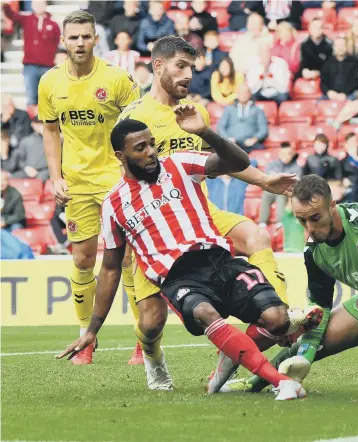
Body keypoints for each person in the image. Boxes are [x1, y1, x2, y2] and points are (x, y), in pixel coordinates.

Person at [57, 114, 320, 401]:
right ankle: (281, 382)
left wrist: (207, 132)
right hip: (178, 277)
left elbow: (236, 162)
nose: (150, 153)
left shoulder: (179, 164)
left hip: (220, 261)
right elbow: (109, 269)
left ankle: (231, 356)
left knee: (278, 319)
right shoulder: (113, 204)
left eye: (152, 145)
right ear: (120, 155)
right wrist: (92, 329)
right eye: (140, 148)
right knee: (192, 316)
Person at [114, 36, 305, 369]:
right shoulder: (134, 118)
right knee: (152, 322)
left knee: (256, 236)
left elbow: (215, 161)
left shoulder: (196, 112)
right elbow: (123, 179)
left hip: (200, 212)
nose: (188, 75)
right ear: (158, 67)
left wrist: (263, 180)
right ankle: (149, 350)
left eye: (192, 67)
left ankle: (283, 319)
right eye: (180, 66)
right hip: (158, 224)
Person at [37, 10, 140, 365]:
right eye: (73, 37)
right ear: (63, 41)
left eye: (86, 36)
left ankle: (144, 338)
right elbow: (50, 131)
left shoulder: (116, 79)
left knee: (126, 258)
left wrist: (134, 174)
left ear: (96, 39)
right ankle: (86, 338)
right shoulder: (49, 83)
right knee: (82, 258)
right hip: (76, 183)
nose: (80, 42)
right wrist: (55, 177)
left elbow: (139, 128)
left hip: (117, 180)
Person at [223, 175, 358, 393]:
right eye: (302, 220)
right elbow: (321, 307)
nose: (309, 228)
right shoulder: (314, 253)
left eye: (315, 217)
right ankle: (258, 383)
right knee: (313, 341)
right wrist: (305, 356)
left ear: (332, 206)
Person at [2, 0, 60, 106]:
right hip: (30, 66)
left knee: (48, 99)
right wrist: (6, 3)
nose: (39, 6)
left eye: (41, 4)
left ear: (46, 5)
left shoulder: (54, 24)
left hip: (48, 67)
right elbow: (11, 14)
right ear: (32, 6)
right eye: (36, 4)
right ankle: (33, 122)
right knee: (31, 99)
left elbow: (59, 43)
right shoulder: (27, 19)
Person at [258, 142, 303, 226]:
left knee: (281, 195)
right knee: (265, 195)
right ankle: (262, 222)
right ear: (279, 154)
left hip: (285, 190)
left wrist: (279, 179)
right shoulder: (272, 164)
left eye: (288, 154)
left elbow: (296, 181)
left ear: (292, 155)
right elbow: (267, 178)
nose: (286, 156)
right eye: (283, 154)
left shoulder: (296, 167)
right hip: (271, 188)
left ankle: (280, 221)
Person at [217, 83, 268, 153]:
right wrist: (227, 138)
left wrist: (254, 139)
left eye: (246, 92)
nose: (243, 95)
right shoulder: (229, 109)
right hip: (231, 143)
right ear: (237, 94)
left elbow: (263, 130)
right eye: (240, 92)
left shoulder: (258, 110)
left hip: (250, 144)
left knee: (260, 150)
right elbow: (220, 126)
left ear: (250, 94)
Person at [12, 117, 50, 183]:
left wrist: (47, 135)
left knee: (40, 179)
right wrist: (26, 168)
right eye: (39, 123)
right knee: (12, 178)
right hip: (27, 170)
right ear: (33, 124)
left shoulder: (54, 140)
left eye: (43, 124)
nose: (41, 126)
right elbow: (20, 159)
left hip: (45, 171)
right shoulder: (26, 141)